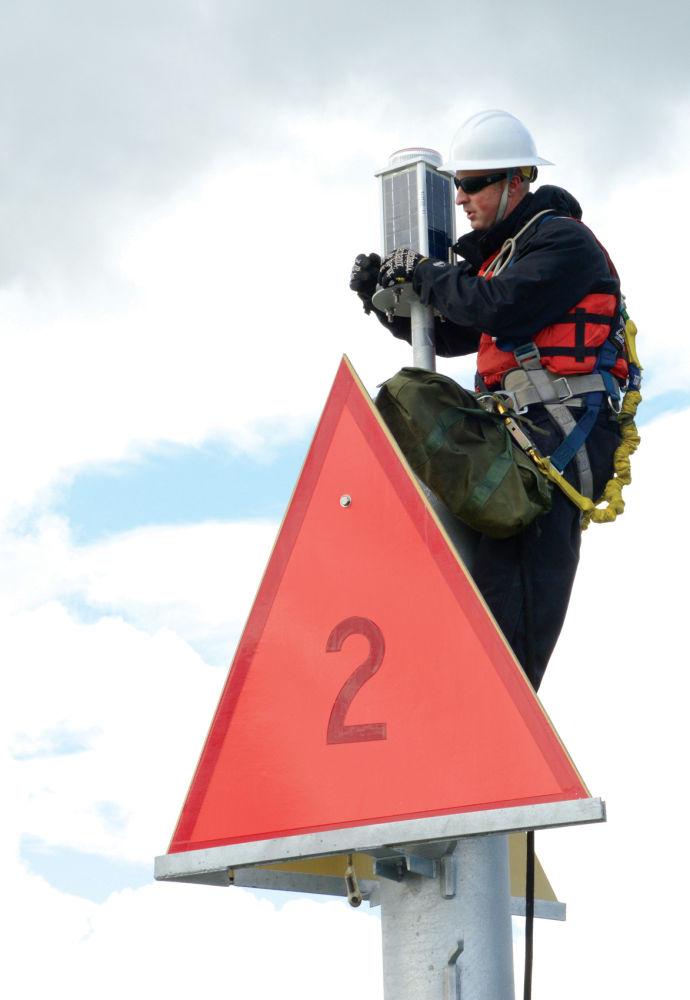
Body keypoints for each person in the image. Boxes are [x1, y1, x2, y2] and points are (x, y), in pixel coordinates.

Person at [349, 110, 627, 690]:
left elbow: (500, 306)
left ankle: (502, 723)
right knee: (405, 402)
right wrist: (383, 299)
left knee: (510, 617)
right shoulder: (500, 255)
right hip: (517, 437)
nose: (460, 198)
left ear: (515, 182)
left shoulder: (562, 241)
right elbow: (453, 334)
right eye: (457, 184)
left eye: (473, 184)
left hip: (554, 445)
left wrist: (429, 276)